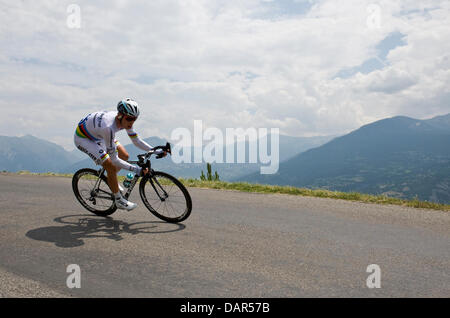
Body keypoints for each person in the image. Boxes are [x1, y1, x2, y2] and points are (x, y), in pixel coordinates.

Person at [74, 98, 164, 211]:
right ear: (120, 116)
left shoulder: (124, 121)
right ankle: (118, 200)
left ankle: (111, 181)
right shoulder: (109, 127)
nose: (132, 122)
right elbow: (115, 160)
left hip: (98, 135)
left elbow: (136, 141)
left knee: (125, 156)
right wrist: (137, 170)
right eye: (130, 119)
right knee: (110, 165)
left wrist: (155, 150)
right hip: (84, 139)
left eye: (134, 119)